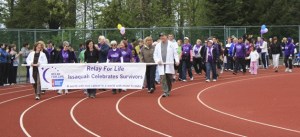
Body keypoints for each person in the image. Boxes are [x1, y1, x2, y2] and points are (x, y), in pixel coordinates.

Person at [153, 33, 179, 97]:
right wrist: (157, 60)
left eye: (163, 36)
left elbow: (175, 54)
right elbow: (155, 54)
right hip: (161, 64)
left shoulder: (171, 44)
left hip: (169, 64)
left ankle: (169, 90)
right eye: (161, 36)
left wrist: (177, 60)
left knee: (169, 79)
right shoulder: (158, 45)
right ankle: (165, 91)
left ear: (166, 36)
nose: (162, 37)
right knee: (163, 78)